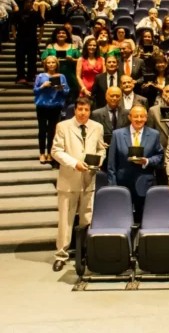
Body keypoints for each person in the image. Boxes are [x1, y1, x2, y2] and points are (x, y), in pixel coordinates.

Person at [51, 97, 106, 271]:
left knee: (87, 218)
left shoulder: (97, 127)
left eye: (86, 109)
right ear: (75, 110)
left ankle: (86, 253)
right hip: (69, 180)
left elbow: (101, 149)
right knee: (65, 220)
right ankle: (61, 254)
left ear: (90, 111)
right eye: (80, 109)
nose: (83, 113)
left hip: (89, 180)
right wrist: (74, 163)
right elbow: (56, 151)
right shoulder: (63, 126)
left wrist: (99, 160)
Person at [107, 105, 164, 223]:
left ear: (146, 118)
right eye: (136, 116)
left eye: (142, 116)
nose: (139, 119)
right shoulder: (117, 134)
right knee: (121, 219)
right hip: (122, 184)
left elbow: (160, 156)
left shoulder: (154, 134)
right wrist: (112, 186)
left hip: (145, 183)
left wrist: (147, 161)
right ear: (130, 117)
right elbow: (111, 163)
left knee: (143, 219)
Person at [34, 56, 70, 163]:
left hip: (55, 106)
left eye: (53, 62)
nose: (51, 64)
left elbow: (67, 91)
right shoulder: (40, 76)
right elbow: (35, 91)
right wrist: (43, 86)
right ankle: (42, 153)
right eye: (49, 63)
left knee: (52, 131)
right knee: (42, 129)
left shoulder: (61, 76)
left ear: (56, 64)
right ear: (45, 64)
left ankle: (50, 153)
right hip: (42, 106)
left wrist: (61, 89)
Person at [14, 0, 45, 84]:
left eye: (31, 2)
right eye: (27, 2)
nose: (29, 3)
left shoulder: (36, 14)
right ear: (24, 3)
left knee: (32, 59)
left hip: (32, 39)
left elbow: (42, 25)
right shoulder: (18, 13)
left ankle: (31, 76)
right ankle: (21, 76)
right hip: (20, 39)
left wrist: (39, 37)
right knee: (20, 59)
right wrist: (14, 36)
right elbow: (13, 25)